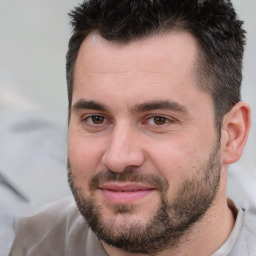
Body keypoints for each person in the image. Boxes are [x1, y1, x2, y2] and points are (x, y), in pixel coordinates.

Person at [9, 0, 256, 255]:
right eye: (96, 119)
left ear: (232, 136)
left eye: (158, 120)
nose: (117, 158)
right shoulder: (37, 241)